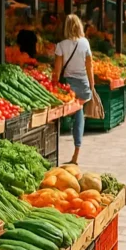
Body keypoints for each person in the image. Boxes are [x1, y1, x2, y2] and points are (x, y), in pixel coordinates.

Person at [52, 15, 95, 166]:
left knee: (64, 114)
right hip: (83, 86)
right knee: (79, 114)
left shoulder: (61, 45)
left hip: (68, 89)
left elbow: (57, 72)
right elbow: (89, 66)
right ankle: (76, 151)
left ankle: (57, 149)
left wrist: (52, 86)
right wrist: (92, 83)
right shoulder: (85, 43)